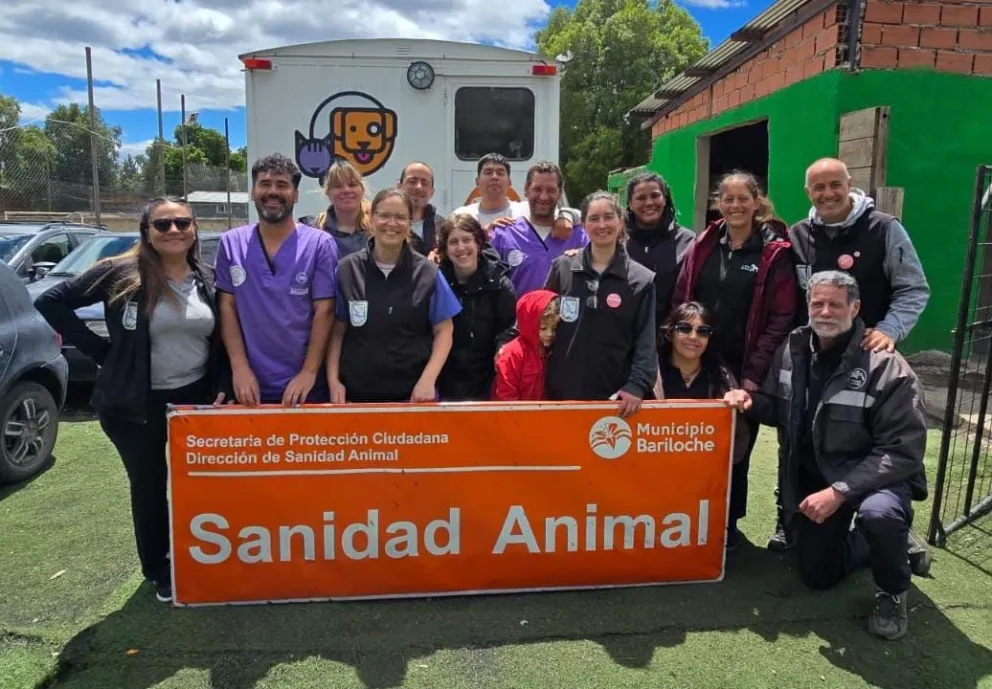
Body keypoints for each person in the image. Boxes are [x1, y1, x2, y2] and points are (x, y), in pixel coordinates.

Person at [34, 197, 230, 603]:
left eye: (182, 223)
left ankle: (199, 554)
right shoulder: (120, 272)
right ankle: (159, 568)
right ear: (147, 232)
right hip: (134, 405)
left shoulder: (206, 277)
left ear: (194, 229)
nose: (174, 231)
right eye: (163, 225)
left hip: (192, 400)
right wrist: (105, 353)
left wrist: (221, 383)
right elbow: (50, 302)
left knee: (196, 484)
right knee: (150, 484)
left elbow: (221, 340)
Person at [724, 270, 930, 641]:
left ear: (855, 308)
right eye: (817, 303)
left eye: (835, 304)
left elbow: (901, 453)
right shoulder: (793, 347)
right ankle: (881, 542)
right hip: (818, 474)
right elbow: (778, 407)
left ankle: (893, 588)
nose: (825, 311)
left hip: (874, 479)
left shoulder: (887, 366)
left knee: (879, 514)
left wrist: (839, 492)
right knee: (818, 576)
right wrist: (751, 401)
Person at [672, 170, 797, 549]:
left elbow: (781, 318)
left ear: (757, 202)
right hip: (697, 358)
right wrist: (678, 348)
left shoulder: (775, 252)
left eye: (743, 198)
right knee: (689, 443)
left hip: (743, 366)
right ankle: (681, 518)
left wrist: (753, 374)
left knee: (735, 448)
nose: (735, 205)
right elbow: (681, 297)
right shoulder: (705, 243)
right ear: (718, 204)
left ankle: (728, 526)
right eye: (728, 199)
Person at [215, 153, 339, 406]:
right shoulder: (231, 242)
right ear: (252, 191)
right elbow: (227, 307)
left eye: (282, 185)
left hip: (305, 387)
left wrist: (309, 372)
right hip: (249, 386)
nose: (273, 191)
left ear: (295, 194)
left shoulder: (319, 244)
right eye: (265, 183)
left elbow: (324, 311)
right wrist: (238, 369)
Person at [329, 189, 462, 403]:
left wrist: (427, 381)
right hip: (356, 396)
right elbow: (336, 332)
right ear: (371, 219)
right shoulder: (346, 270)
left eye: (400, 217)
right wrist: (334, 381)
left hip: (412, 396)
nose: (392, 223)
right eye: (384, 215)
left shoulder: (428, 273)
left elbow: (445, 330)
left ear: (409, 223)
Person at [789, 158, 930, 354]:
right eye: (819, 187)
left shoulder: (885, 229)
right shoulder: (797, 235)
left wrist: (889, 329)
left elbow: (913, 289)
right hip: (811, 354)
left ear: (849, 184)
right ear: (808, 192)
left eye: (835, 185)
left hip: (867, 353)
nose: (828, 193)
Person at [544, 191, 657, 418]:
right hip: (562, 394)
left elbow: (646, 340)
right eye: (594, 219)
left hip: (615, 399)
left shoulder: (641, 279)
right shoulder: (562, 268)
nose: (602, 225)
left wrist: (637, 385)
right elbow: (540, 318)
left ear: (621, 220)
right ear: (583, 224)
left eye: (608, 217)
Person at [656, 302, 751, 484]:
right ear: (670, 332)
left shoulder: (721, 378)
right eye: (684, 328)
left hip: (703, 484)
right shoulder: (650, 375)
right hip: (654, 478)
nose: (693, 337)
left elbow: (739, 435)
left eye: (703, 331)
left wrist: (716, 467)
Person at [436, 214, 517, 400]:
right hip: (445, 379)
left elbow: (511, 327)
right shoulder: (436, 282)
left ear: (479, 243)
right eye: (453, 242)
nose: (461, 248)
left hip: (488, 377)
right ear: (445, 249)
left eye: (467, 240)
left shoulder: (499, 283)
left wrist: (502, 349)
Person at [490, 162, 589, 296]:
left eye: (551, 190)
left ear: (560, 192)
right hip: (516, 317)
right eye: (537, 189)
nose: (543, 196)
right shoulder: (503, 235)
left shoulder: (577, 236)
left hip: (565, 316)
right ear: (526, 189)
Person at [624, 172, 695, 330]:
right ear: (630, 203)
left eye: (655, 196)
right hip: (624, 337)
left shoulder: (688, 241)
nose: (649, 203)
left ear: (665, 199)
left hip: (670, 337)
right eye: (641, 198)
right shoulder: (618, 241)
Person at [451, 152, 579, 236]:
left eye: (500, 173)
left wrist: (566, 216)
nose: (494, 177)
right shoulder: (462, 215)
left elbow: (581, 215)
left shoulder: (525, 209)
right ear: (477, 181)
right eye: (488, 172)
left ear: (509, 182)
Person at [492, 290, 560, 400]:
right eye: (543, 328)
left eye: (555, 328)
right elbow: (506, 396)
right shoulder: (512, 353)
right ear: (529, 324)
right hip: (517, 414)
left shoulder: (555, 350)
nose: (550, 334)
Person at [300, 159, 371, 257]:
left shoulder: (379, 227)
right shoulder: (315, 231)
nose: (346, 190)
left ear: (362, 190)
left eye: (352, 184)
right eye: (338, 186)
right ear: (328, 192)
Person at [398, 161, 445, 255]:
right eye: (412, 181)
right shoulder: (389, 223)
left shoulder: (442, 226)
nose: (419, 187)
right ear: (399, 187)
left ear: (432, 192)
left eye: (425, 183)